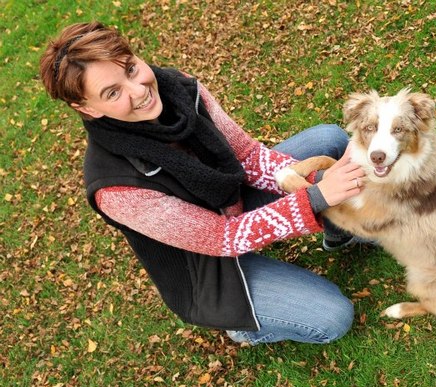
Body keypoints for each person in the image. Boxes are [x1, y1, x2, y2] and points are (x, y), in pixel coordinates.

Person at [39, 22, 367, 345]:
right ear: (85, 107)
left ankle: (340, 234)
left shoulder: (182, 89)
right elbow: (224, 237)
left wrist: (319, 180)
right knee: (333, 317)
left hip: (232, 197)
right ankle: (243, 328)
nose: (139, 91)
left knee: (328, 141)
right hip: (206, 267)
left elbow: (248, 156)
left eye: (130, 69)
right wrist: (316, 197)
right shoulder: (114, 187)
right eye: (113, 93)